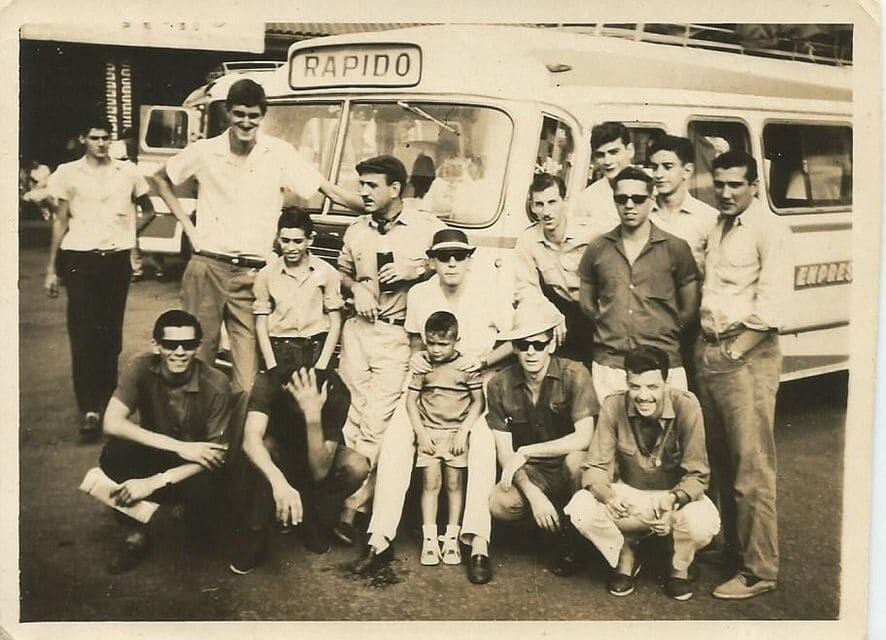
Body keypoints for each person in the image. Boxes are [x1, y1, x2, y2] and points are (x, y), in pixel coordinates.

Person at [152, 78, 362, 393]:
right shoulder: (205, 151)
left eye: (253, 115)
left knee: (247, 380)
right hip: (207, 266)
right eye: (239, 114)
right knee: (198, 364)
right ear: (227, 114)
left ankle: (235, 442)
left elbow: (328, 190)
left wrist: (381, 207)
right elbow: (159, 178)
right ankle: (197, 441)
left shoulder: (278, 153)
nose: (246, 122)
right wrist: (189, 227)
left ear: (262, 116)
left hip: (254, 274)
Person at [353, 228, 512, 584]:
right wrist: (418, 360)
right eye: (443, 256)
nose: (451, 263)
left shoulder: (489, 290)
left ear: (469, 259)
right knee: (396, 437)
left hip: (474, 390)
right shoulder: (422, 293)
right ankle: (379, 537)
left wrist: (483, 361)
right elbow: (413, 340)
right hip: (428, 391)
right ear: (432, 260)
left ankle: (478, 542)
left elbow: (511, 343)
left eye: (459, 256)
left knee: (483, 444)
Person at [694, 150, 791, 600]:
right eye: (720, 183)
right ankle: (734, 551)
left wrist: (734, 352)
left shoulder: (770, 229)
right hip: (711, 352)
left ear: (755, 185)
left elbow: (771, 308)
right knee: (722, 463)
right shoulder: (718, 225)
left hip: (745, 355)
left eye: (736, 184)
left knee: (751, 468)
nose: (727, 191)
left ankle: (759, 570)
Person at [336, 155, 445, 539]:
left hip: (398, 335)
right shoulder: (357, 231)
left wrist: (415, 270)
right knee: (352, 414)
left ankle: (355, 508)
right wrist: (357, 288)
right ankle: (341, 497)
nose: (363, 192)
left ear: (395, 189)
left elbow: (450, 260)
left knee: (380, 422)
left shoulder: (425, 228)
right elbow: (343, 272)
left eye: (371, 186)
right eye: (361, 184)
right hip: (358, 331)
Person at [565, 345, 720, 601]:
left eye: (652, 387)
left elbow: (697, 474)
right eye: (635, 386)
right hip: (630, 498)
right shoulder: (614, 405)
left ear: (666, 382)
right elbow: (595, 467)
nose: (643, 396)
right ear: (627, 381)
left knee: (702, 523)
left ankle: (678, 564)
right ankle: (625, 553)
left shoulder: (686, 406)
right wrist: (608, 497)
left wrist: (674, 501)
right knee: (580, 508)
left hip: (671, 500)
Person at [44, 115, 155, 438]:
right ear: (83, 139)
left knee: (110, 337)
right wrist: (52, 268)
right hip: (78, 260)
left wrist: (129, 237)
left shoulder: (128, 172)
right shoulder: (67, 173)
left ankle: (108, 406)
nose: (102, 143)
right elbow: (60, 221)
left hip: (115, 261)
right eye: (95, 137)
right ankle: (88, 410)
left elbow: (147, 210)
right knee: (82, 336)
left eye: (106, 137)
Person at [99, 310, 232, 573]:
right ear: (156, 345)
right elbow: (111, 422)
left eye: (189, 345)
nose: (180, 352)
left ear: (198, 347)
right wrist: (180, 447)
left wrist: (154, 482)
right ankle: (134, 533)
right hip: (167, 452)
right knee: (115, 452)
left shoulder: (217, 383)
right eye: (171, 344)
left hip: (197, 469)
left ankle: (191, 512)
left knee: (202, 542)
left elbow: (218, 454)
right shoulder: (139, 367)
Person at [487, 302, 598, 574]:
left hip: (567, 465)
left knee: (577, 463)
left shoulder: (574, 373)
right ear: (514, 348)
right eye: (523, 345)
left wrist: (527, 450)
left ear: (551, 344)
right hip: (535, 474)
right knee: (499, 503)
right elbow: (505, 452)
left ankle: (575, 540)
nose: (531, 352)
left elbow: (584, 438)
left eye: (538, 344)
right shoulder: (499, 384)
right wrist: (533, 494)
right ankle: (547, 530)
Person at [230, 362, 370, 573]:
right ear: (285, 386)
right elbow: (250, 440)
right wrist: (278, 483)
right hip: (276, 455)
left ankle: (310, 514)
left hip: (314, 454)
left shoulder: (336, 390)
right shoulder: (269, 381)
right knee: (262, 450)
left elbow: (319, 471)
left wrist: (312, 415)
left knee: (356, 466)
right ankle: (256, 530)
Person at [578, 166, 700, 402]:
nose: (629, 205)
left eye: (638, 198)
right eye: (622, 199)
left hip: (663, 364)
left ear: (652, 200)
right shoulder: (598, 248)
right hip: (610, 366)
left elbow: (689, 308)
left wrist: (661, 329)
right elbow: (586, 302)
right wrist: (611, 323)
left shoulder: (676, 248)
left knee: (666, 433)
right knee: (613, 434)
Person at [406, 311, 485, 566]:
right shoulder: (424, 366)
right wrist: (421, 432)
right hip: (430, 433)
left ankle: (452, 537)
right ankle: (430, 538)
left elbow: (478, 401)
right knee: (430, 484)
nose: (437, 350)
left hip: (455, 436)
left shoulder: (466, 367)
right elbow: (411, 401)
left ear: (456, 340)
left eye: (443, 344)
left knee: (454, 484)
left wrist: (463, 431)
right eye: (431, 343)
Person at [515, 172, 597, 364]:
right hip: (562, 313)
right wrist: (550, 312)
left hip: (596, 313)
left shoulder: (591, 233)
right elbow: (526, 289)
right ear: (532, 207)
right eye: (539, 204)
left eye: (552, 202)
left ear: (564, 201)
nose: (546, 212)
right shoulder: (528, 239)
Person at [253, 208, 343, 374]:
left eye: (297, 241)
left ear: (310, 240)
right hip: (280, 349)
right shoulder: (267, 274)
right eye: (285, 241)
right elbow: (261, 321)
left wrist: (322, 366)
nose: (291, 248)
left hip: (315, 349)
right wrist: (272, 365)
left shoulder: (326, 272)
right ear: (278, 239)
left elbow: (335, 322)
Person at [648, 135, 719, 272]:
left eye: (667, 167)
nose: (658, 175)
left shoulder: (708, 218)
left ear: (687, 171)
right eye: (654, 167)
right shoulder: (642, 212)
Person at [569, 121, 635, 234]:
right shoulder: (587, 198)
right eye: (600, 155)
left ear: (630, 150)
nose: (607, 161)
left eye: (613, 152)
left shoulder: (653, 189)